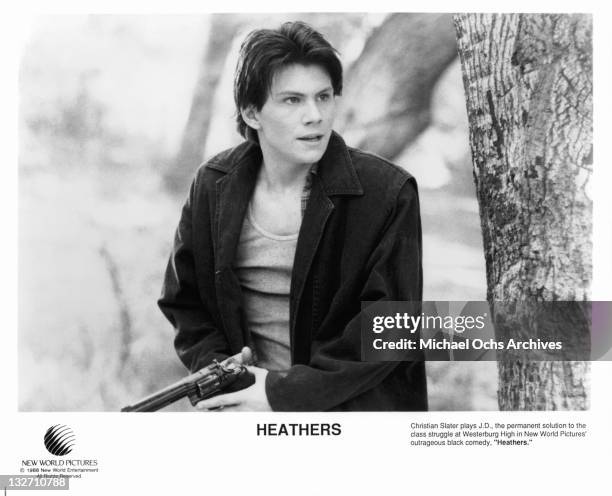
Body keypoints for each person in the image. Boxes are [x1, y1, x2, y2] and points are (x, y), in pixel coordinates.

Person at [158, 21, 427, 411]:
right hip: (246, 413)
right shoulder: (213, 185)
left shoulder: (388, 192)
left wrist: (281, 394)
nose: (314, 115)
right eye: (292, 100)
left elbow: (390, 328)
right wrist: (225, 377)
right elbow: (186, 302)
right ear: (252, 113)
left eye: (323, 97)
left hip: (354, 415)